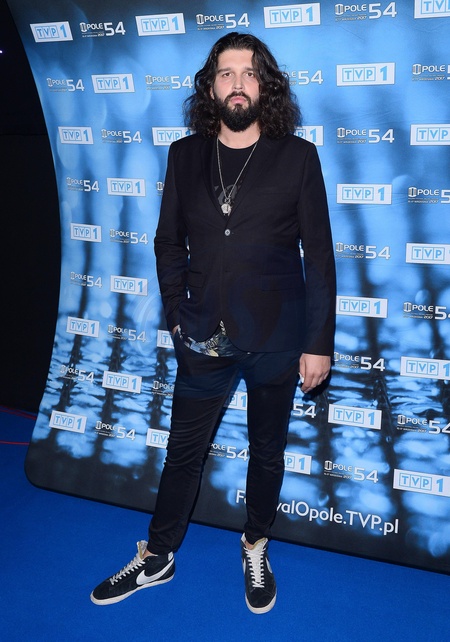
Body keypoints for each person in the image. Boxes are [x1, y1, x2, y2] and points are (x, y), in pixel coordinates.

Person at [90, 32, 336, 614]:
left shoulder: (298, 157)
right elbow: (167, 242)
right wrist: (177, 315)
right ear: (211, 87)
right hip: (201, 335)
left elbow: (320, 256)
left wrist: (318, 342)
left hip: (277, 338)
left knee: (267, 452)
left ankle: (255, 544)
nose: (238, 84)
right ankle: (158, 555)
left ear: (266, 86)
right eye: (227, 74)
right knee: (183, 452)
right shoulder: (184, 155)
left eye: (249, 74)